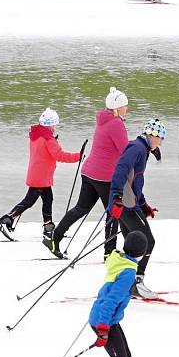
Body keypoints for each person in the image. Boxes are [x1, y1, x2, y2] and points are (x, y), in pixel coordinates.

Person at [49, 87, 129, 260]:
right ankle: (109, 252)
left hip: (89, 172)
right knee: (113, 212)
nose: (127, 108)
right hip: (105, 177)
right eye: (124, 105)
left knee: (81, 208)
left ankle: (55, 237)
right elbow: (125, 150)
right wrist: (145, 148)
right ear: (116, 108)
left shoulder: (104, 121)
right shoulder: (116, 123)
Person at [78, 231, 149, 357]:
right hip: (105, 320)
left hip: (107, 319)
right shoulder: (128, 272)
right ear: (142, 253)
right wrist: (102, 328)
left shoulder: (119, 260)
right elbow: (111, 300)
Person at [0, 108, 81, 248]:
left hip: (39, 174)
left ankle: (48, 227)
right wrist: (78, 156)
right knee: (29, 201)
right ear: (49, 125)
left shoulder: (37, 136)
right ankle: (6, 220)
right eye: (54, 125)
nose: (55, 127)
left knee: (48, 199)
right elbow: (60, 156)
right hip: (41, 176)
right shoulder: (48, 139)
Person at [108, 119, 165, 299]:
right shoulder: (137, 148)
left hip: (130, 203)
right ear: (151, 135)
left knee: (130, 244)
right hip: (125, 204)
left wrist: (144, 204)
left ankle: (126, 281)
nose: (161, 142)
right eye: (160, 138)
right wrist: (116, 197)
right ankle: (136, 283)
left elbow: (135, 181)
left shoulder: (142, 149)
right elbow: (120, 169)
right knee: (147, 241)